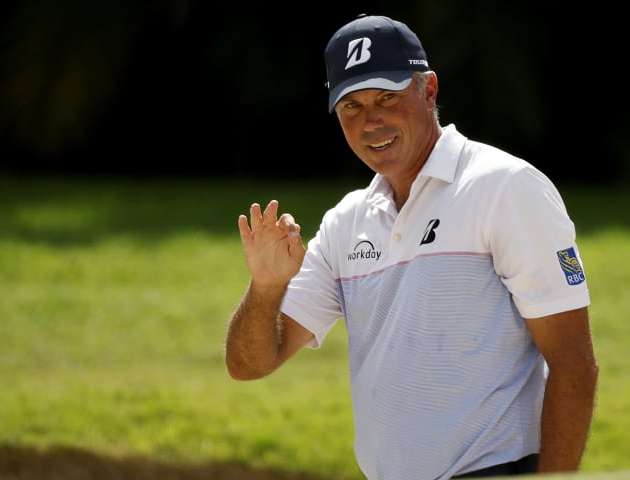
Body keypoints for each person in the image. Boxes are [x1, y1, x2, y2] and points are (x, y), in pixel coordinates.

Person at [225, 13, 599, 480]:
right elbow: (249, 365)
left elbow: (573, 363)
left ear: (429, 91)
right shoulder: (347, 222)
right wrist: (265, 288)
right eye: (351, 107)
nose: (371, 122)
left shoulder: (505, 187)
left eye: (387, 97)